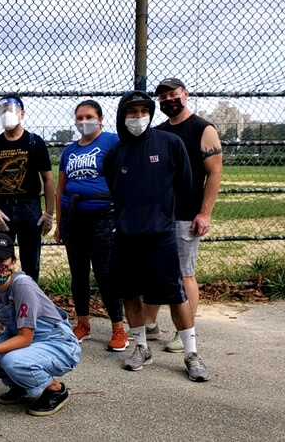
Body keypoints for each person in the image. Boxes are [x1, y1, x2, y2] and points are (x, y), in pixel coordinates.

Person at [103, 91, 210, 382]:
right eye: (131, 111)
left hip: (161, 236)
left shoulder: (170, 144)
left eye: (143, 110)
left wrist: (160, 214)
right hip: (126, 237)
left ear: (151, 113)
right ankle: (141, 348)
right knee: (130, 293)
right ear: (122, 115)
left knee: (174, 294)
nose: (137, 117)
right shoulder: (115, 153)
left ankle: (191, 354)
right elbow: (115, 189)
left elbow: (186, 185)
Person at [0, 233, 80, 417]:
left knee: (11, 361)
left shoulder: (21, 285)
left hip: (55, 341)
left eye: (1, 260)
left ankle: (55, 390)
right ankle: (21, 383)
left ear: (13, 262)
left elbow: (25, 338)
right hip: (24, 339)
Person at [143, 78, 223, 353]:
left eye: (172, 94)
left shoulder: (203, 129)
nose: (168, 101)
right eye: (162, 97)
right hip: (159, 214)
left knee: (184, 273)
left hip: (187, 214)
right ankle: (150, 324)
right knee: (154, 271)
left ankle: (183, 330)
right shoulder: (159, 132)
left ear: (185, 94)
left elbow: (214, 172)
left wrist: (205, 213)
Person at [54, 100, 127, 352]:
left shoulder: (111, 142)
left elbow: (123, 174)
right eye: (80, 117)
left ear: (100, 119)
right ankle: (82, 323)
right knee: (78, 273)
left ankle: (118, 328)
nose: (84, 121)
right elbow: (60, 188)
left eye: (89, 116)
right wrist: (59, 222)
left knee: (105, 273)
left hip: (102, 215)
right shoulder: (69, 151)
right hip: (74, 217)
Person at [0, 95, 55, 281]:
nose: (7, 114)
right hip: (2, 209)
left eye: (10, 110)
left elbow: (48, 180)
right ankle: (2, 299)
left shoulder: (34, 142)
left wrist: (49, 214)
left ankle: (29, 301)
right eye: (2, 110)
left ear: (22, 113)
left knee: (31, 262)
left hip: (30, 208)